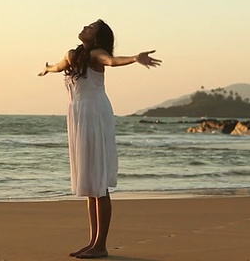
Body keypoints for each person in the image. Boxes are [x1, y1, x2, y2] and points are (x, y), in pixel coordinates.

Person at [38, 19, 161, 259]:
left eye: (91, 27)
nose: (85, 27)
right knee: (89, 184)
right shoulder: (73, 55)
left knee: (99, 182)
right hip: (78, 116)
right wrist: (47, 68)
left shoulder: (97, 54)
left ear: (98, 37)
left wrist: (136, 58)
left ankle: (101, 245)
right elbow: (57, 66)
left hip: (94, 115)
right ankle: (93, 241)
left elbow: (113, 61)